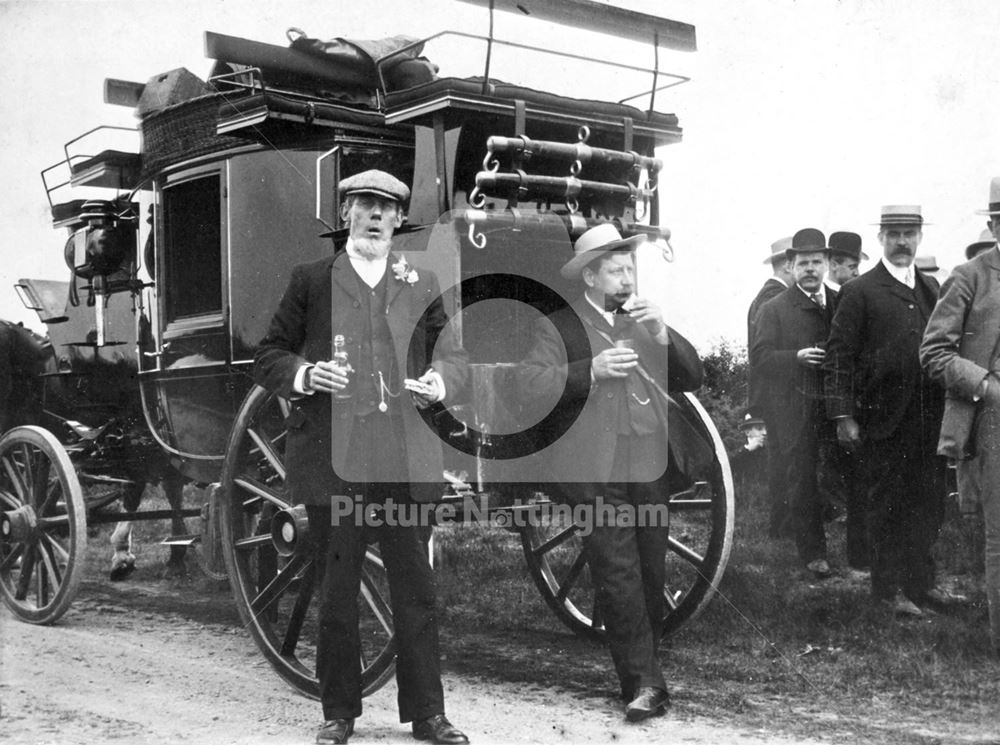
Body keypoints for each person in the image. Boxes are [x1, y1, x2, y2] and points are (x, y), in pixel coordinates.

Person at [255, 170, 469, 745]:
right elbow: (268, 353)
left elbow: (453, 355)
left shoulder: (420, 280)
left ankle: (428, 715)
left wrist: (439, 382)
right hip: (336, 464)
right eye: (364, 205)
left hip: (403, 460)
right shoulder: (312, 280)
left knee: (415, 590)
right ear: (346, 213)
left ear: (400, 221)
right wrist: (303, 374)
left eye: (386, 208)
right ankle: (338, 715)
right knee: (338, 590)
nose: (375, 216)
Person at [517, 223, 704, 723]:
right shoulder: (557, 324)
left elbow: (694, 376)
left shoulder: (642, 319)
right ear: (592, 277)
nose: (628, 280)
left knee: (651, 565)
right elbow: (532, 385)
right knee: (618, 570)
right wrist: (591, 372)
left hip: (646, 460)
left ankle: (646, 664)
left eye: (631, 269)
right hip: (593, 466)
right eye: (618, 270)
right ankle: (643, 683)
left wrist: (662, 333)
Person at [823, 205, 957, 617]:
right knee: (886, 505)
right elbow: (839, 357)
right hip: (881, 420)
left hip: (927, 419)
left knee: (928, 502)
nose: (903, 242)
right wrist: (843, 415)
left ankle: (921, 585)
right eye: (895, 233)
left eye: (910, 233)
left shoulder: (932, 288)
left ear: (919, 237)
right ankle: (887, 590)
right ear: (881, 237)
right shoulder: (860, 291)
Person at [920, 177, 1000, 654]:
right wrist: (989, 387)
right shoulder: (971, 276)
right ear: (994, 224)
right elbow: (933, 352)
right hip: (993, 423)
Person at [750, 228, 838, 577]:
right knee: (802, 476)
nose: (811, 269)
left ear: (828, 263)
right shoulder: (775, 308)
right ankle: (814, 553)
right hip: (793, 405)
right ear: (791, 265)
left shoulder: (840, 301)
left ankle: (863, 553)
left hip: (834, 402)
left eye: (817, 261)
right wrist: (796, 357)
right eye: (803, 263)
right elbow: (760, 358)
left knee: (849, 471)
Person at [747, 236, 795, 538]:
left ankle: (782, 525)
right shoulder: (772, 299)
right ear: (788, 264)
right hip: (775, 392)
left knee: (781, 458)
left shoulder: (764, 296)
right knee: (783, 460)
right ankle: (783, 526)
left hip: (769, 392)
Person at [728, 413, 768, 493]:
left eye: (766, 429)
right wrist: (748, 449)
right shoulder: (735, 448)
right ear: (747, 432)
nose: (765, 433)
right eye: (759, 429)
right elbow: (728, 468)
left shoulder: (770, 451)